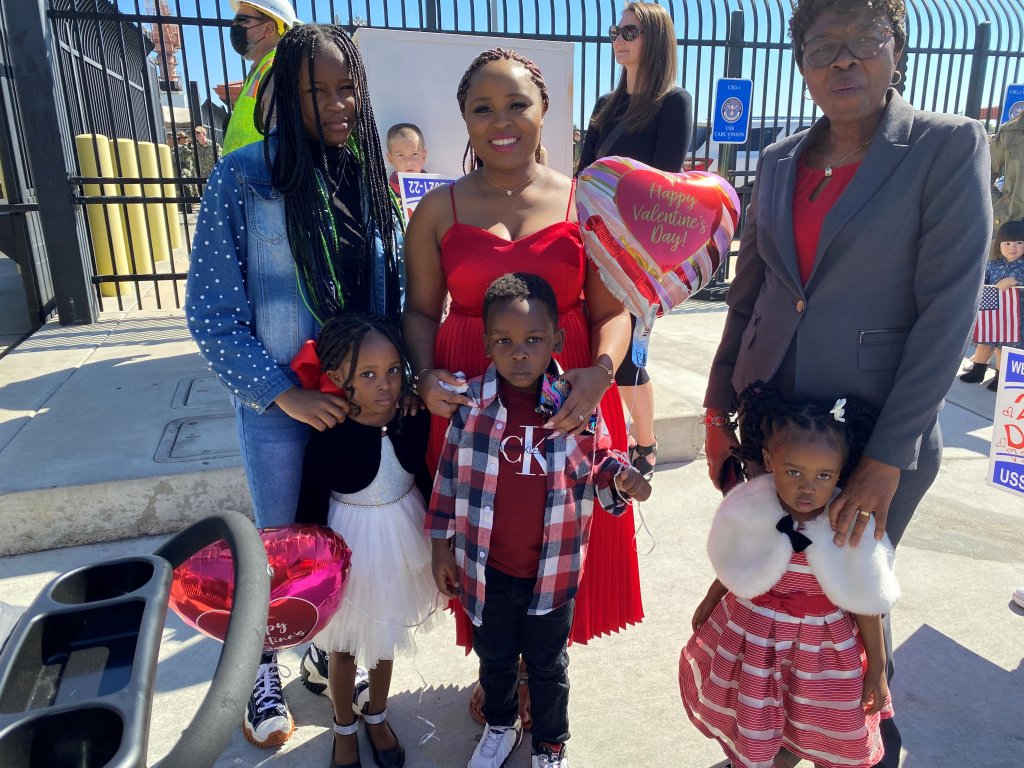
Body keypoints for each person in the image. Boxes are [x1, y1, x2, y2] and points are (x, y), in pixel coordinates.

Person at [702, 2, 991, 766]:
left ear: (897, 49)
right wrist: (717, 398)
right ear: (799, 61)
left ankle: (855, 737)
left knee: (851, 587)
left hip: (872, 433)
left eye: (866, 41)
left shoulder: (945, 147)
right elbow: (754, 289)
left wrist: (888, 458)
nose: (845, 61)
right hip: (771, 426)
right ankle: (769, 731)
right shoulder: (778, 160)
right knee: (774, 577)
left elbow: (948, 313)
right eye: (824, 45)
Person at [402, 47, 637, 730]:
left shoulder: (583, 200)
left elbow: (612, 310)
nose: (500, 121)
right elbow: (420, 311)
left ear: (544, 111)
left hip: (567, 398)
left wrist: (599, 371)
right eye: (482, 108)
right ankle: (496, 670)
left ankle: (546, 669)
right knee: (483, 536)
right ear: (465, 121)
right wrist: (422, 377)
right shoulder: (438, 211)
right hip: (471, 405)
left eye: (516, 105)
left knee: (555, 534)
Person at [185, 23, 403, 749]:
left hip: (356, 407)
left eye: (350, 88)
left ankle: (320, 645)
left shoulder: (369, 180)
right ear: (285, 93)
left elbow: (387, 292)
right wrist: (284, 393)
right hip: (283, 409)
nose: (340, 104)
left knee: (340, 547)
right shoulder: (241, 177)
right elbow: (212, 315)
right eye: (319, 90)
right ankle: (258, 666)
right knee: (280, 547)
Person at [426, 273, 652, 768]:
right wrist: (440, 544)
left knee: (548, 666)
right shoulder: (473, 405)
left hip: (553, 572)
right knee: (496, 659)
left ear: (558, 340)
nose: (519, 353)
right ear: (486, 344)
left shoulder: (574, 404)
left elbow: (600, 464)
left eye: (533, 340)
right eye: (504, 341)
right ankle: (501, 726)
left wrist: (624, 480)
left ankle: (550, 745)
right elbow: (447, 474)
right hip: (487, 571)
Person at [682, 381, 898, 768]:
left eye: (824, 476)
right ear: (768, 459)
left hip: (822, 655)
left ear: (841, 471)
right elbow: (738, 559)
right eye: (794, 471)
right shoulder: (754, 506)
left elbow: (866, 600)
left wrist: (878, 669)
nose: (807, 487)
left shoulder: (847, 526)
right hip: (755, 642)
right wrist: (712, 598)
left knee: (825, 728)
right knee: (760, 724)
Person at [294, 313, 438, 768]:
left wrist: (443, 541)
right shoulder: (328, 434)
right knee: (345, 646)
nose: (386, 385)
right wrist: (311, 569)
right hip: (348, 544)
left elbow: (427, 478)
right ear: (340, 378)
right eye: (369, 375)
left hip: (401, 536)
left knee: (384, 637)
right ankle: (344, 726)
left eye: (394, 370)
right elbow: (310, 506)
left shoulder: (413, 418)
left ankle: (376, 715)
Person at [575, 1, 693, 477]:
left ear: (656, 39)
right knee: (594, 348)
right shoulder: (607, 105)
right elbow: (584, 176)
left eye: (631, 30)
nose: (619, 38)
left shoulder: (673, 102)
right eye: (616, 30)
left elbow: (664, 186)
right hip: (593, 246)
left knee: (627, 362)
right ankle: (607, 438)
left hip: (638, 258)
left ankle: (644, 445)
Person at [222, 0, 299, 154]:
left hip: (261, 176)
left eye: (242, 21)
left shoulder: (275, 70)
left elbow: (282, 145)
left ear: (268, 28)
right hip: (247, 174)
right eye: (235, 21)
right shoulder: (259, 70)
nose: (235, 26)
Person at [959, 219, 1024, 390]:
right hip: (992, 313)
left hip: (1014, 317)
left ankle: (999, 376)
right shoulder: (993, 265)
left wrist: (1014, 281)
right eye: (1007, 243)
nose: (1013, 247)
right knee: (984, 343)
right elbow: (981, 280)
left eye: (1019, 242)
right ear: (999, 245)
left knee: (1003, 347)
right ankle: (978, 369)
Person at [990, 110, 1024, 257]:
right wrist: (997, 204)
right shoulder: (1012, 130)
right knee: (1001, 277)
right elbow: (983, 171)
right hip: (1010, 224)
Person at [386, 122, 428, 197]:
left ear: (424, 156)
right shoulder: (386, 194)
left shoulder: (433, 189)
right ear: (391, 159)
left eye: (415, 154)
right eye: (401, 155)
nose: (409, 162)